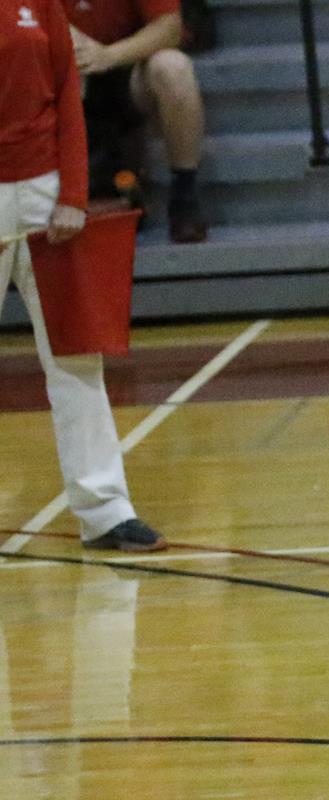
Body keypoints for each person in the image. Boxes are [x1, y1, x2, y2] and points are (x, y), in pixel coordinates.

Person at [2, 0, 166, 553]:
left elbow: (68, 93)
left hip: (47, 196)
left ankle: (105, 511)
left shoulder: (39, 4)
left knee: (75, 358)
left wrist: (72, 194)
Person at [59, 0, 208, 243]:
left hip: (126, 63)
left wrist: (108, 55)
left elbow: (169, 28)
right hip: (58, 72)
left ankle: (185, 193)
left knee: (173, 68)